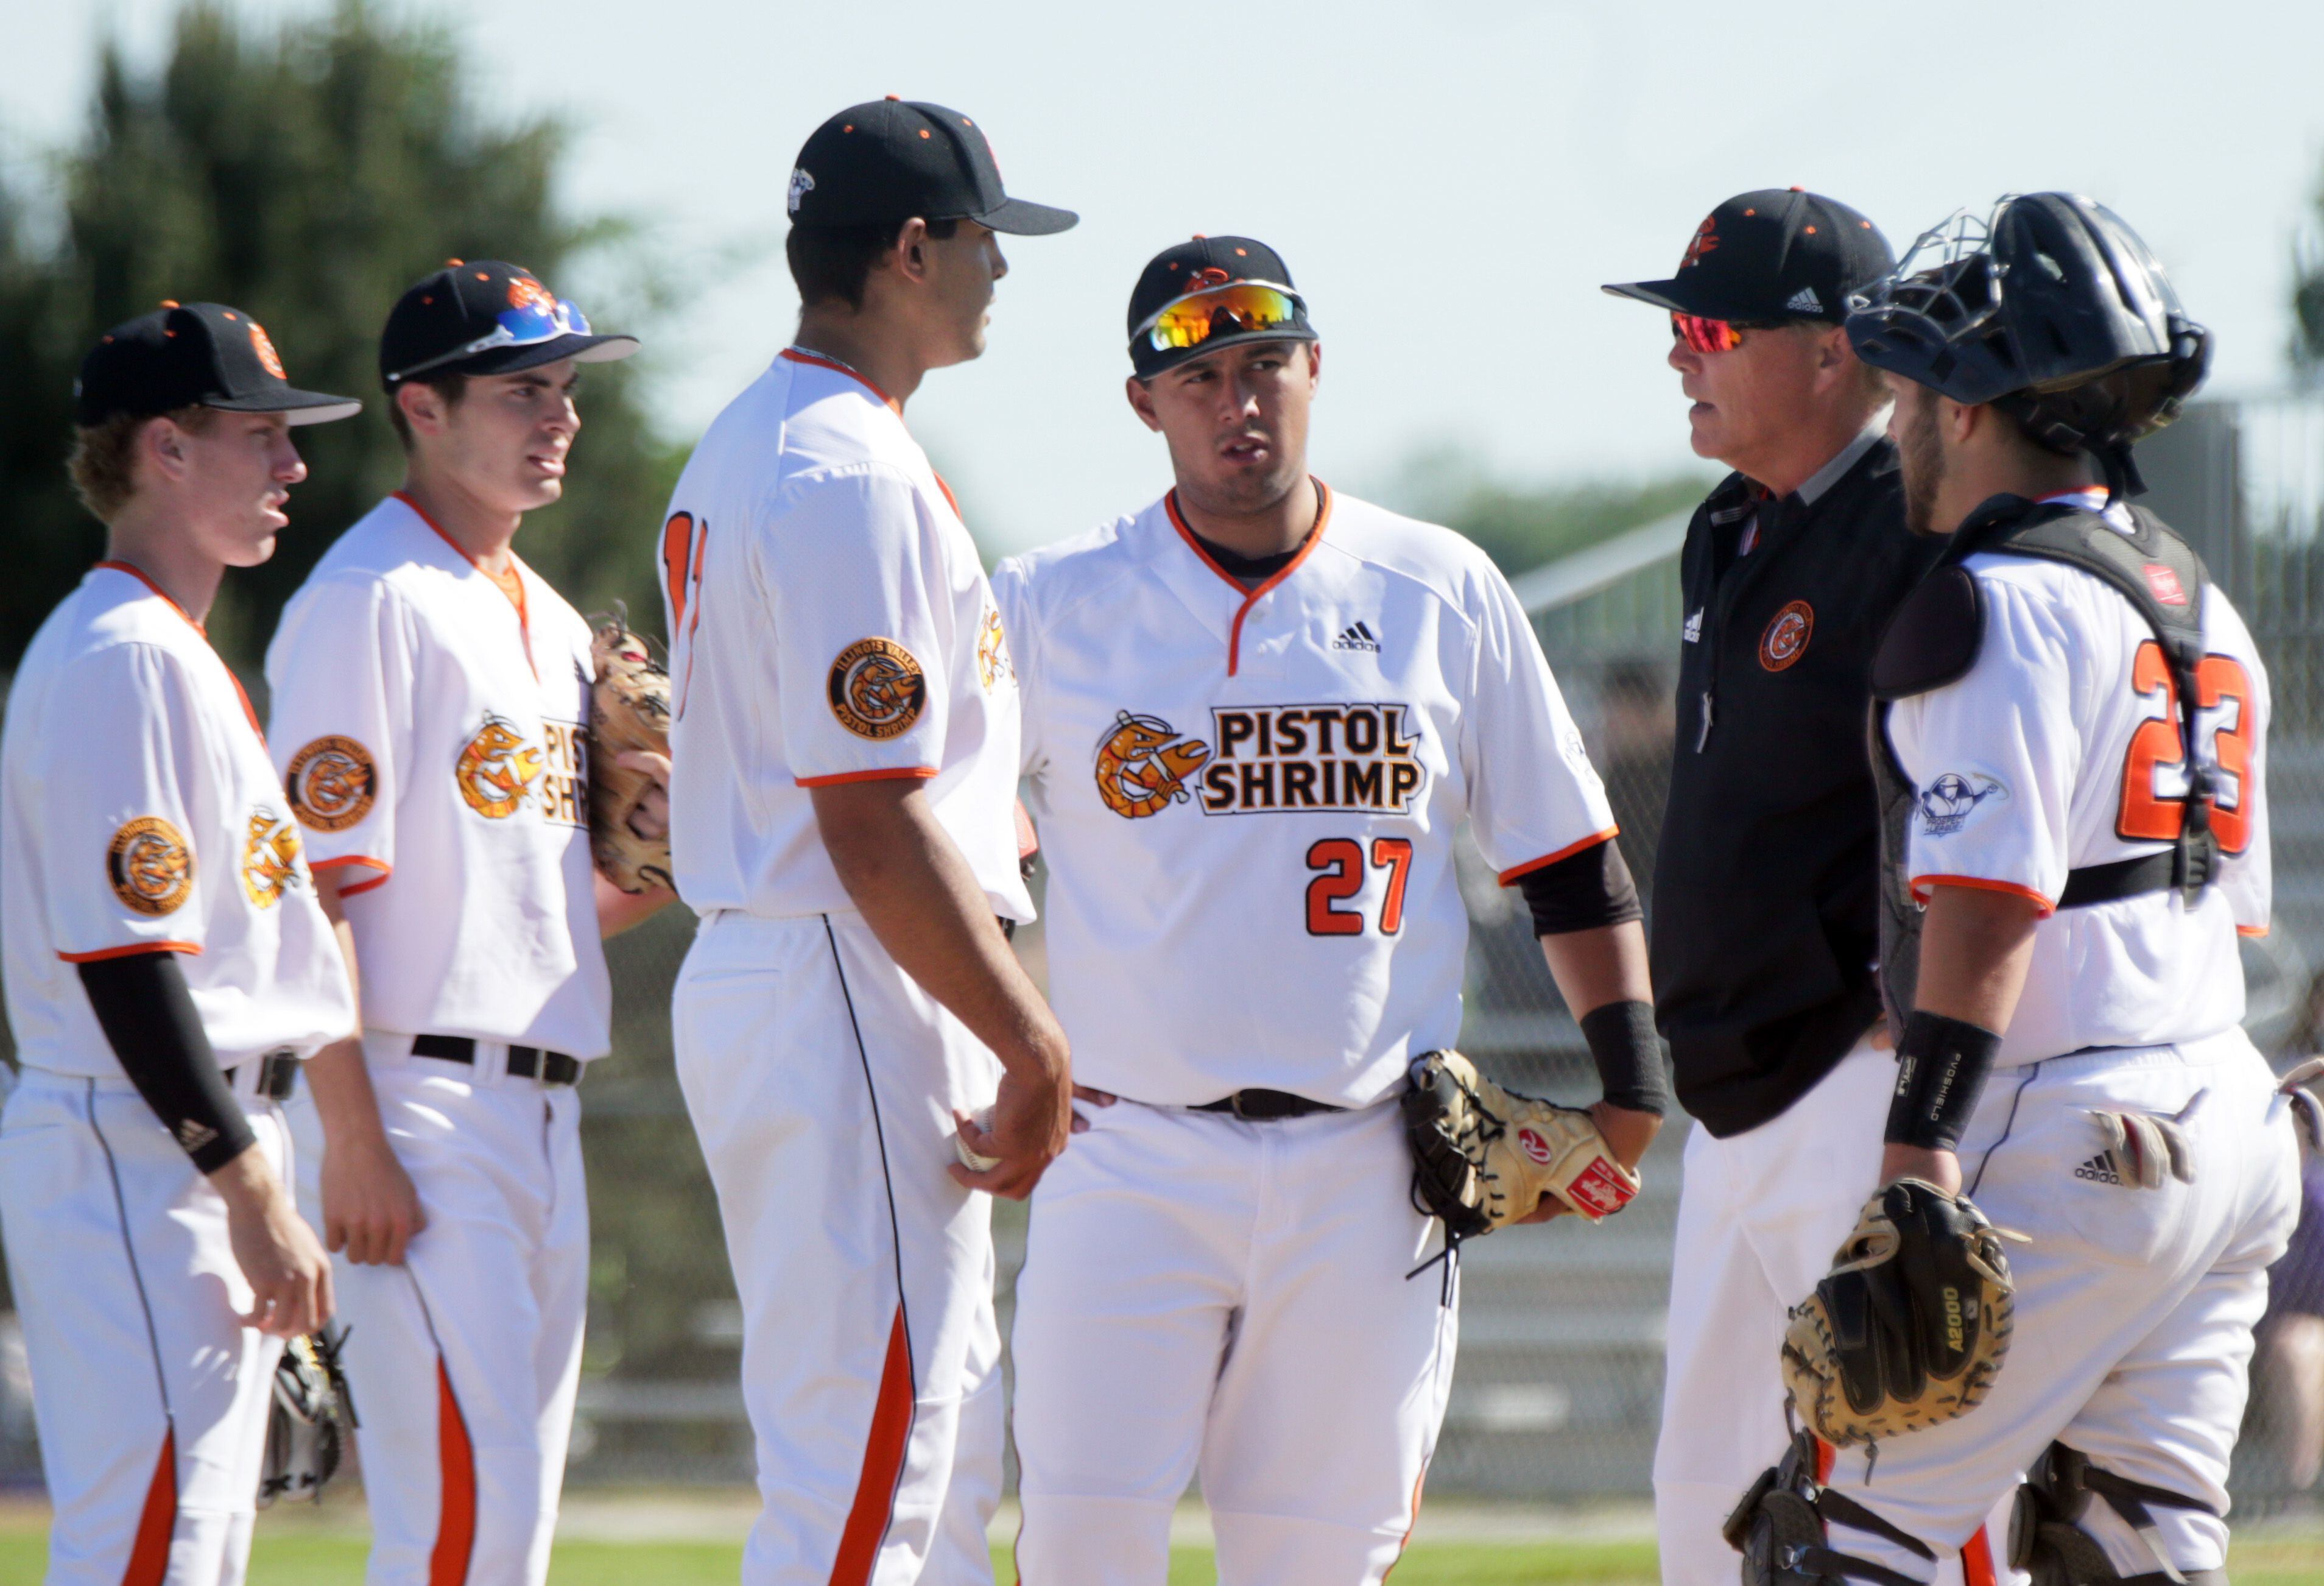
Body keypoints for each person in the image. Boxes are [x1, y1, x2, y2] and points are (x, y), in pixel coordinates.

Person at [995, 236, 1665, 1586]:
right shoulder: (1052, 601)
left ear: (1315, 369)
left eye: (1264, 366)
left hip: (1371, 1159)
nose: (1238, 402)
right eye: (1198, 378)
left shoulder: (1437, 586)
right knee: (1080, 1545)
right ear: (1144, 403)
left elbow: (1568, 862)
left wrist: (1632, 1093)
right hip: (1126, 1151)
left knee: (1320, 1560)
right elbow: (962, 862)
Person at [1747, 192, 2301, 1585]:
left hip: (2072, 1123)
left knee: (1839, 1535)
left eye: (1912, 389)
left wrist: (1919, 1156)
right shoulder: (2191, 594)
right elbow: (2235, 907)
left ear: (1975, 403)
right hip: (2229, 1124)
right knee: (2138, 1553)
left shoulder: (1996, 597)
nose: (1897, 420)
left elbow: (1988, 894)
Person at [658, 98, 1076, 1585]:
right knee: (873, 1481)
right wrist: (1030, 1044)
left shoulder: (768, 436)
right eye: (981, 241)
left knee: (930, 1457)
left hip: (813, 972)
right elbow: (870, 819)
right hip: (845, 972)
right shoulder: (844, 468)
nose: (997, 274)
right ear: (911, 249)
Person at [266, 260, 666, 1586]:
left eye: (563, 389)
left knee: (512, 1535)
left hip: (542, 1102)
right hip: (412, 1098)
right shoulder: (367, 600)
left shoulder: (549, 618)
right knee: (452, 1525)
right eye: (519, 391)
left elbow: (535, 914)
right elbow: (309, 898)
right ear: (422, 410)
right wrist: (354, 1143)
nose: (557, 417)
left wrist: (656, 856)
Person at [1599, 188, 1954, 1583]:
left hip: (1852, 1072)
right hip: (1735, 1090)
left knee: (1902, 1489)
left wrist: (1909, 993)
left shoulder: (1912, 514)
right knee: (1706, 1494)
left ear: (1826, 353)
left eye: (1706, 327)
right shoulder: (1726, 526)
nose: (1678, 355)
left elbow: (1951, 774)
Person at [0, 302, 358, 1584]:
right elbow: (124, 963)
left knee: (184, 1540)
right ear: (165, 448)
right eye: (261, 435)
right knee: (152, 1541)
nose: (292, 467)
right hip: (144, 1148)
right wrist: (248, 1187)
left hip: (170, 1146)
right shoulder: (124, 659)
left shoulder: (174, 653)